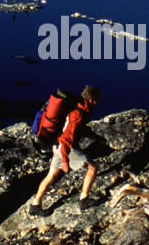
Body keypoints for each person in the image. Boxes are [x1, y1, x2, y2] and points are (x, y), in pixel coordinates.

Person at [30, 85, 100, 216]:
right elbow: (67, 137)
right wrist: (65, 159)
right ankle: (84, 199)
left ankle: (35, 205)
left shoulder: (77, 107)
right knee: (93, 168)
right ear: (91, 100)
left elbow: (79, 129)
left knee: (50, 176)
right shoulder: (78, 113)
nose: (98, 103)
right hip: (65, 148)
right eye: (97, 100)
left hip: (56, 145)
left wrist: (97, 137)